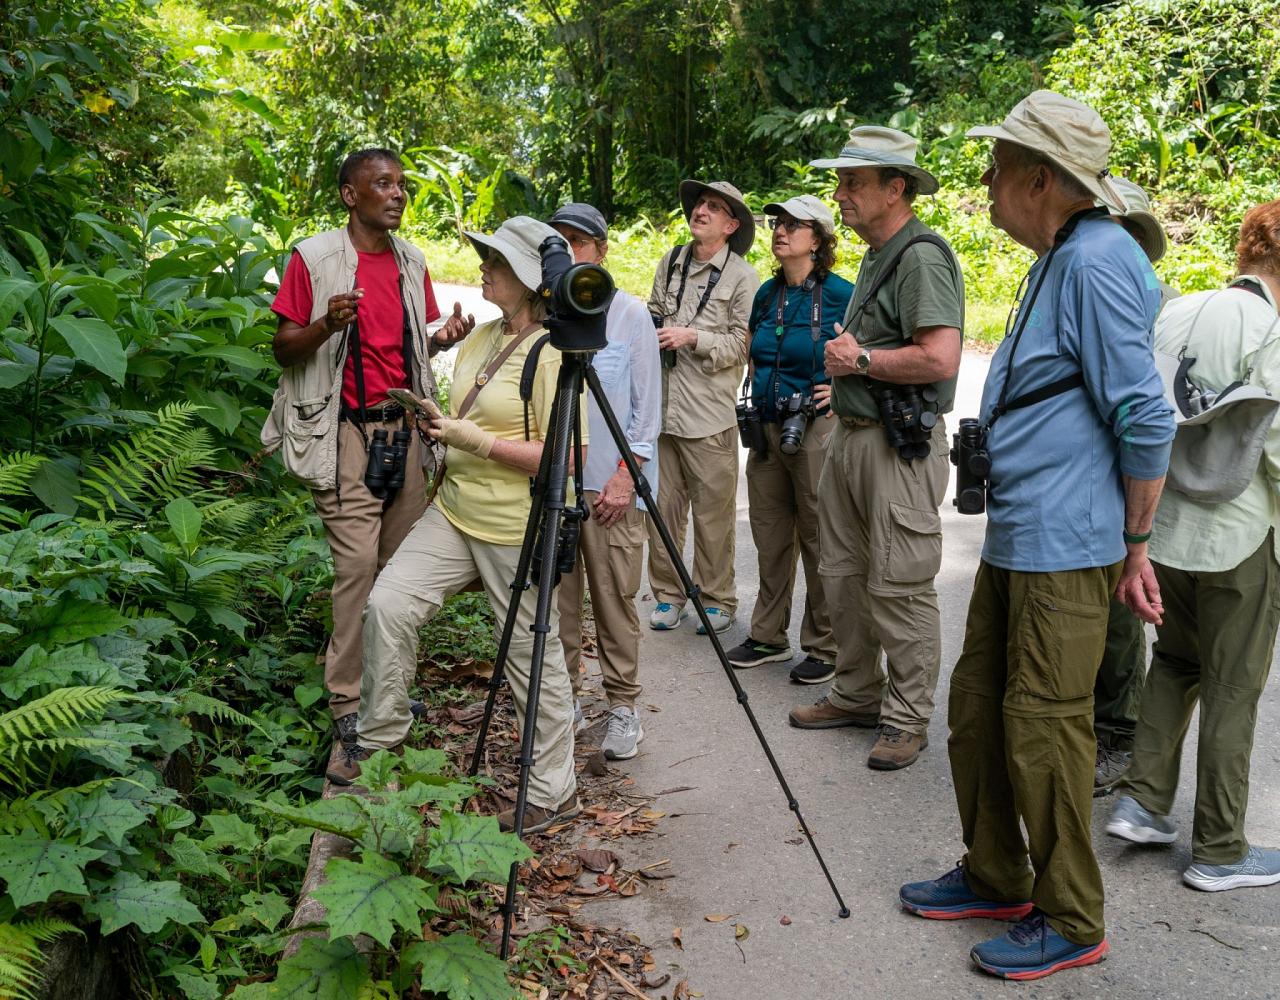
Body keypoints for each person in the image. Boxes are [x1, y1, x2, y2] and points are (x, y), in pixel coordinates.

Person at [899, 91, 1176, 981]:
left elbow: (1146, 416)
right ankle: (996, 872)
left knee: (1047, 728)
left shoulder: (1095, 260)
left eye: (995, 169)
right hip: (1023, 536)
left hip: (1068, 541)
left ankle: (1072, 915)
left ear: (1039, 179)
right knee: (979, 706)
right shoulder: (1058, 257)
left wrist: (1137, 543)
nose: (984, 184)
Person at [333, 217, 584, 835]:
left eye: (494, 261)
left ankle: (554, 791)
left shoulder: (555, 351)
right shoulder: (483, 336)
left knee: (531, 655)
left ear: (528, 279)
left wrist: (470, 436)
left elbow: (565, 457)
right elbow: (462, 414)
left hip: (514, 524)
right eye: (484, 257)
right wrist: (433, 419)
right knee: (388, 606)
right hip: (456, 510)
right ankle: (380, 742)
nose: (482, 268)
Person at [263, 148, 472, 777]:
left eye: (401, 185)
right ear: (350, 195)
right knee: (356, 569)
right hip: (347, 435)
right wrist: (327, 322)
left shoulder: (412, 260)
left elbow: (408, 341)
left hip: (405, 432)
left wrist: (442, 339)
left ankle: (390, 696)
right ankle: (350, 707)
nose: (397, 194)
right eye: (382, 184)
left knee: (398, 570)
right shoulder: (315, 258)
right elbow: (283, 349)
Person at [1106, 199, 1280, 893]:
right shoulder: (1270, 329)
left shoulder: (1177, 310)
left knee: (1175, 663)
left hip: (1166, 532)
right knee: (1234, 685)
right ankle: (1218, 848)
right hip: (1240, 537)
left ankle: (1144, 803)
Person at [786, 127, 963, 772]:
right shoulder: (877, 253)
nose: (841, 195)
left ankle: (906, 719)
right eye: (841, 182)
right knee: (846, 576)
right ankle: (858, 694)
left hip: (897, 448)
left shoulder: (920, 257)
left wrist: (858, 358)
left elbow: (941, 358)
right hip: (856, 440)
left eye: (854, 182)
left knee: (900, 584)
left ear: (897, 188)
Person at [724, 195, 853, 684]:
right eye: (777, 224)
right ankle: (768, 636)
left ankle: (825, 644)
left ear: (817, 240)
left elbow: (869, 352)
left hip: (815, 429)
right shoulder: (767, 294)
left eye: (794, 225)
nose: (780, 231)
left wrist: (840, 392)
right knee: (771, 535)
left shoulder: (842, 293)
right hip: (768, 427)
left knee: (820, 537)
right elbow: (756, 349)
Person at [549, 203, 662, 761]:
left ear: (602, 249)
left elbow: (646, 411)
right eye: (559, 241)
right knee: (559, 603)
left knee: (615, 600)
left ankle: (623, 706)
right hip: (555, 484)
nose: (569, 252)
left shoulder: (629, 314)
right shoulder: (545, 312)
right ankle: (564, 698)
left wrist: (625, 477)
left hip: (610, 486)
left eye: (580, 241)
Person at [1093, 175, 1177, 794]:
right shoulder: (1079, 285)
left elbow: (1156, 411)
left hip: (1132, 478)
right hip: (1088, 476)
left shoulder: (1162, 306)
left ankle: (1120, 735)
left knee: (1122, 610)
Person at [646, 180, 759, 634]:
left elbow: (743, 344)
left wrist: (693, 337)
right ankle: (669, 596)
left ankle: (717, 599)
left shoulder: (742, 277)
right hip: (662, 409)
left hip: (709, 413)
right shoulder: (671, 260)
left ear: (731, 225)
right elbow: (654, 310)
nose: (702, 211)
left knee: (713, 516)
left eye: (715, 208)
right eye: (700, 204)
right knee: (663, 511)